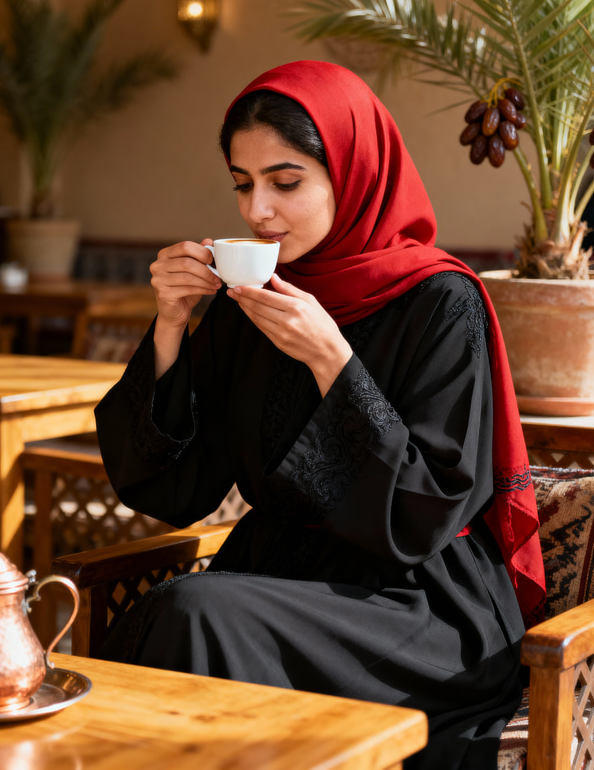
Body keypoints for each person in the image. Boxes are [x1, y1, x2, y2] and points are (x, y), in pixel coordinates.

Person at [94, 60, 546, 770]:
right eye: (242, 184)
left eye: (286, 182)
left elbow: (428, 514)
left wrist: (333, 360)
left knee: (193, 615)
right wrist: (171, 327)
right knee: (189, 620)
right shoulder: (252, 304)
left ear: (355, 172)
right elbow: (176, 490)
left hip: (419, 608)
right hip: (283, 586)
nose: (257, 213)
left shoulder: (441, 301)